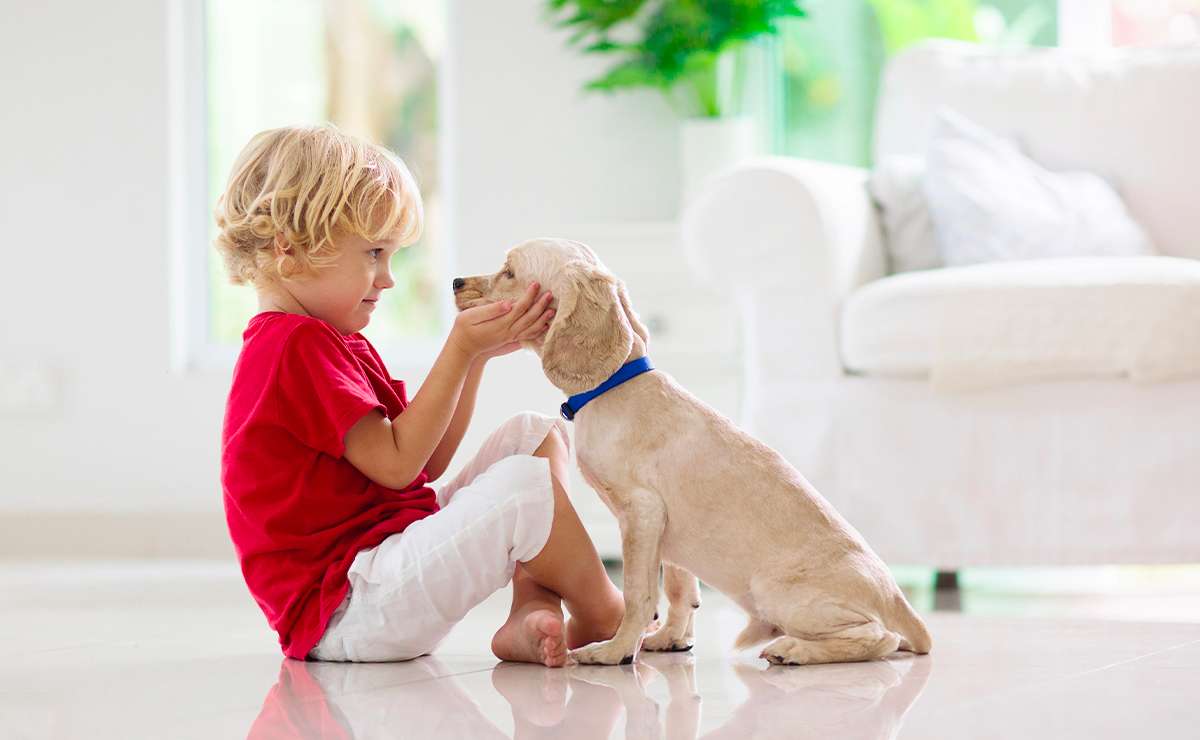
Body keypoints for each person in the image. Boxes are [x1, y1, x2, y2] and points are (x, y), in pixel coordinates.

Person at [216, 124, 623, 666]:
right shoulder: (294, 347)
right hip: (350, 609)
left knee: (536, 434)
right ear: (291, 252)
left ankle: (532, 606)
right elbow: (399, 466)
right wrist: (460, 348)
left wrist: (474, 356)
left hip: (384, 575)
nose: (386, 279)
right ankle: (606, 615)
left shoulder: (330, 339)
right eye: (373, 254)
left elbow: (424, 463)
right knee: (525, 485)